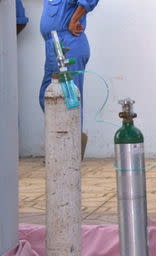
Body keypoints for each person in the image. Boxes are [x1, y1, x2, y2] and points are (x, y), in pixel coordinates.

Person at [39, 0, 99, 159]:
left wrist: (74, 19)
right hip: (53, 43)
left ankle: (70, 152)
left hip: (69, 42)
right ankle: (67, 142)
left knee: (69, 98)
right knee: (46, 96)